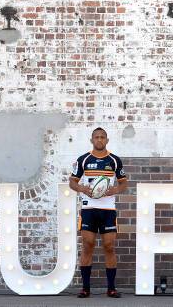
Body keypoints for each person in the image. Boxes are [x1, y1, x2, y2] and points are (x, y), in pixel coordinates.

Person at [68, 127, 128, 298]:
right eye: (96, 137)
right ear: (91, 140)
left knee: (109, 247)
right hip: (89, 209)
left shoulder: (115, 161)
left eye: (102, 137)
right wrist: (81, 188)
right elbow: (72, 181)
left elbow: (124, 183)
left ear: (107, 140)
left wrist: (115, 190)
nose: (99, 140)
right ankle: (85, 288)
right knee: (88, 246)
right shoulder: (83, 160)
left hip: (108, 210)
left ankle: (111, 288)